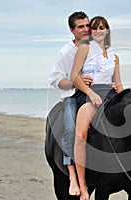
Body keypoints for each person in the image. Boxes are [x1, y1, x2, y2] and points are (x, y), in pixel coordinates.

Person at [71, 16, 123, 200]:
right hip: (89, 94)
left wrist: (124, 100)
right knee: (80, 136)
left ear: (107, 30)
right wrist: (91, 93)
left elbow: (118, 85)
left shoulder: (114, 56)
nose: (98, 30)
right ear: (91, 32)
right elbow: (74, 77)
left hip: (110, 95)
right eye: (94, 28)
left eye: (102, 27)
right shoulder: (84, 48)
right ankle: (83, 185)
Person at [49, 11, 93, 196]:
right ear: (72, 30)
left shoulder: (96, 47)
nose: (85, 29)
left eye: (87, 25)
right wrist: (77, 81)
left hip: (95, 94)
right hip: (73, 96)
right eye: (80, 26)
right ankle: (72, 176)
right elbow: (56, 80)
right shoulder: (65, 52)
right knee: (70, 129)